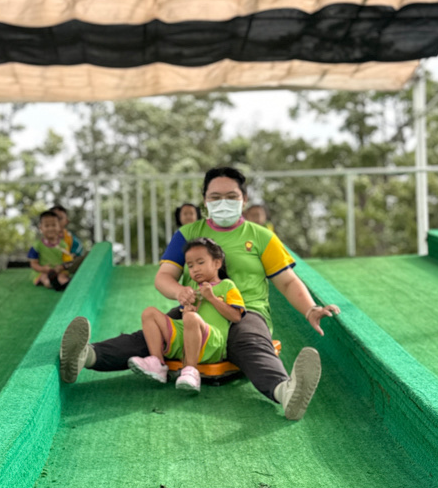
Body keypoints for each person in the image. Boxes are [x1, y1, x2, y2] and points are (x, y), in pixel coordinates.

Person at [60, 166, 340, 420]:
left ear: (244, 199)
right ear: (205, 201)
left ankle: (285, 392)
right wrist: (180, 291)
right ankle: (87, 355)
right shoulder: (187, 234)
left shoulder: (261, 237)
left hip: (244, 311)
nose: (223, 202)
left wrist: (309, 308)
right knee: (152, 333)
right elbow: (164, 277)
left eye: (231, 196)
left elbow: (288, 281)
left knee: (251, 343)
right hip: (195, 307)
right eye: (215, 197)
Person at [129, 237, 245, 394]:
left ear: (217, 263)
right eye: (190, 265)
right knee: (149, 313)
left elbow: (236, 317)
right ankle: (158, 364)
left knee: (191, 318)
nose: (195, 269)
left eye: (200, 262)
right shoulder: (191, 287)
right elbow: (188, 319)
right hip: (188, 340)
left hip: (212, 343)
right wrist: (188, 309)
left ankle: (191, 371)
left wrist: (211, 298)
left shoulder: (227, 285)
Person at [28, 210, 74, 290]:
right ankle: (52, 283)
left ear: (59, 227)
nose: (50, 228)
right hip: (43, 272)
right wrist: (43, 269)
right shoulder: (37, 245)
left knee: (62, 276)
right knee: (45, 278)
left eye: (53, 225)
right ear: (41, 228)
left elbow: (68, 262)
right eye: (47, 226)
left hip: (59, 271)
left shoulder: (64, 245)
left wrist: (62, 267)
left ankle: (63, 283)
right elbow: (33, 264)